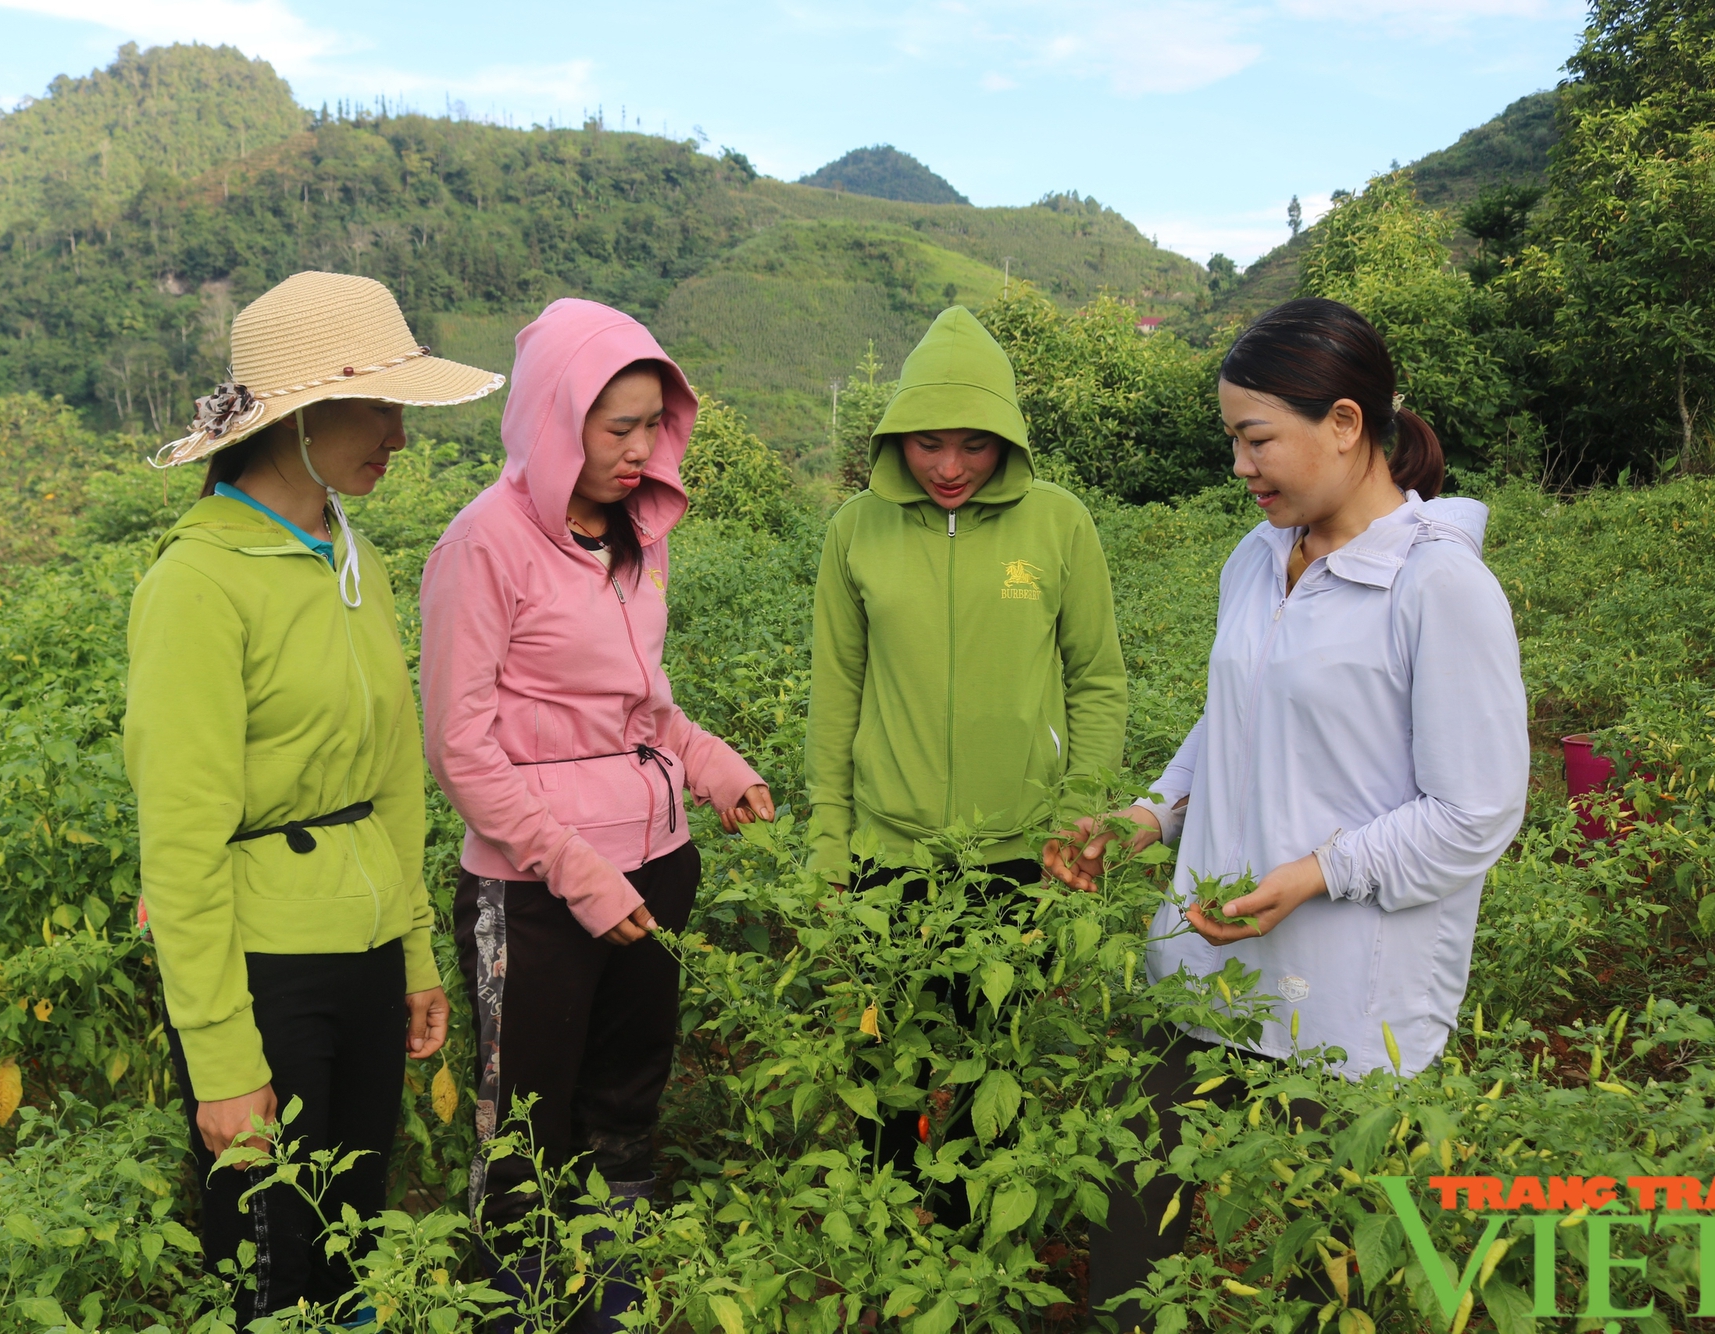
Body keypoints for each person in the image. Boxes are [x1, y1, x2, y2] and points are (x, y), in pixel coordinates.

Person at [1054, 297, 1529, 1329]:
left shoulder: (1434, 584)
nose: (1239, 465)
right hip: (1205, 964)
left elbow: (1473, 810)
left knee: (1328, 1267)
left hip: (1346, 1002)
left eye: (1254, 437)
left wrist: (1313, 873)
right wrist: (1147, 813)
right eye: (1232, 438)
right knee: (1133, 1212)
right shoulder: (1252, 559)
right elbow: (1232, 715)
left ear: (1346, 424)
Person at [126, 270, 503, 1323]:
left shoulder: (350, 554)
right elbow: (183, 842)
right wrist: (222, 1064)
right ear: (296, 414)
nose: (397, 431)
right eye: (378, 404)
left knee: (354, 1238)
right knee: (269, 1261)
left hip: (364, 950)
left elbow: (391, 774)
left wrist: (415, 954)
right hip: (263, 969)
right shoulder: (197, 584)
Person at [420, 298, 774, 1331]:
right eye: (613, 425)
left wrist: (711, 765)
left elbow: (643, 705)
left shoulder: (634, 536)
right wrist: (575, 869)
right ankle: (515, 1311)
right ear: (550, 415)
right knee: (525, 1129)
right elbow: (460, 744)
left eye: (650, 424)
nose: (637, 447)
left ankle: (606, 1307)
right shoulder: (483, 544)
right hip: (536, 889)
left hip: (655, 865)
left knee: (624, 1110)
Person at [806, 305, 1128, 1203]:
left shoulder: (1060, 526)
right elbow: (835, 697)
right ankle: (894, 1250)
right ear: (896, 436)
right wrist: (830, 843)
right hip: (887, 856)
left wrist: (1080, 815)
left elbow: (1098, 682)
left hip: (1019, 856)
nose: (949, 468)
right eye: (927, 444)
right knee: (884, 1079)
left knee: (996, 1075)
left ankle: (982, 1254)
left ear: (1009, 441)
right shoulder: (854, 533)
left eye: (975, 446)